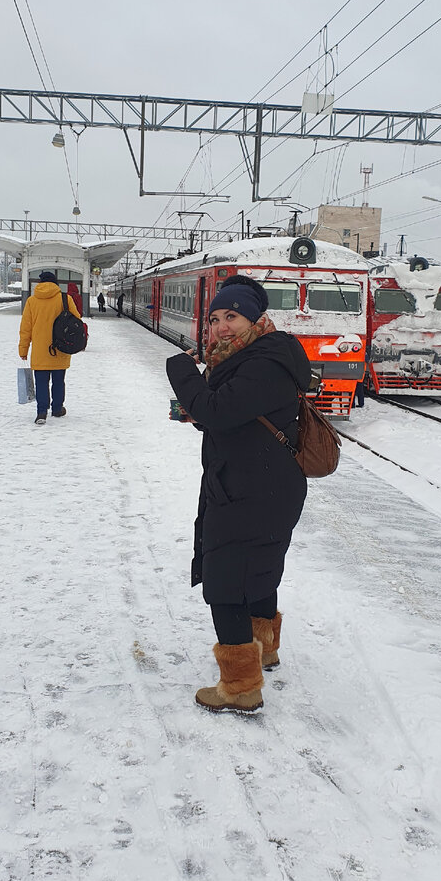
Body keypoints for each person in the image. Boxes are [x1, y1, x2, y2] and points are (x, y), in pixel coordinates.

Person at [166, 275, 311, 714]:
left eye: (232, 316)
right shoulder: (259, 356)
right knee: (260, 571)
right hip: (262, 484)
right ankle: (264, 649)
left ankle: (240, 687)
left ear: (255, 320)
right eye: (214, 318)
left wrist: (181, 374)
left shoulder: (263, 363)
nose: (220, 327)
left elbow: (217, 410)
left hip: (250, 491)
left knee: (226, 583)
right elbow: (229, 414)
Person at [18, 270, 82, 424]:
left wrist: (23, 349)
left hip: (40, 351)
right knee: (59, 381)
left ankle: (41, 412)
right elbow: (77, 320)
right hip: (60, 348)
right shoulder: (65, 299)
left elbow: (25, 328)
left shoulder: (32, 301)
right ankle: (58, 409)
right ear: (55, 283)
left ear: (40, 283)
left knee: (41, 382)